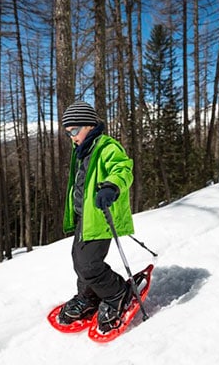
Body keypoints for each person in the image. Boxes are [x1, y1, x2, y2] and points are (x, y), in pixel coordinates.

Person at [58, 101, 135, 333]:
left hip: (101, 217)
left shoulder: (106, 146)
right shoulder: (82, 150)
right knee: (79, 261)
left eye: (74, 130)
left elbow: (123, 169)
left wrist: (111, 186)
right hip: (85, 217)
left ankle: (116, 293)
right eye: (67, 132)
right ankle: (88, 296)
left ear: (89, 126)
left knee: (90, 264)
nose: (71, 137)